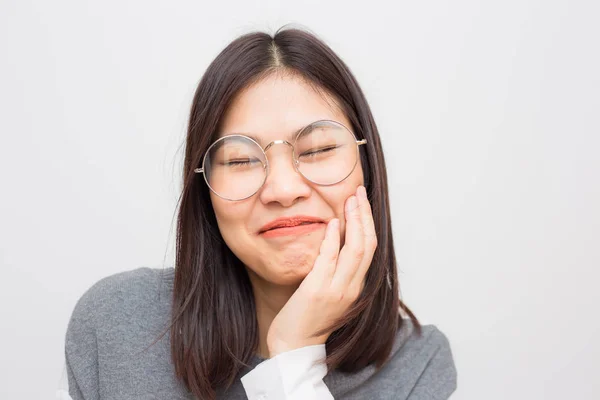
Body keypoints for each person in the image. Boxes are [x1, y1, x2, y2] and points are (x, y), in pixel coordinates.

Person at [58, 26, 457, 400]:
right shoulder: (116, 325)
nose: (283, 190)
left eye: (317, 150)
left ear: (366, 167)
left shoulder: (417, 367)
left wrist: (294, 359)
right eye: (240, 160)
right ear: (205, 189)